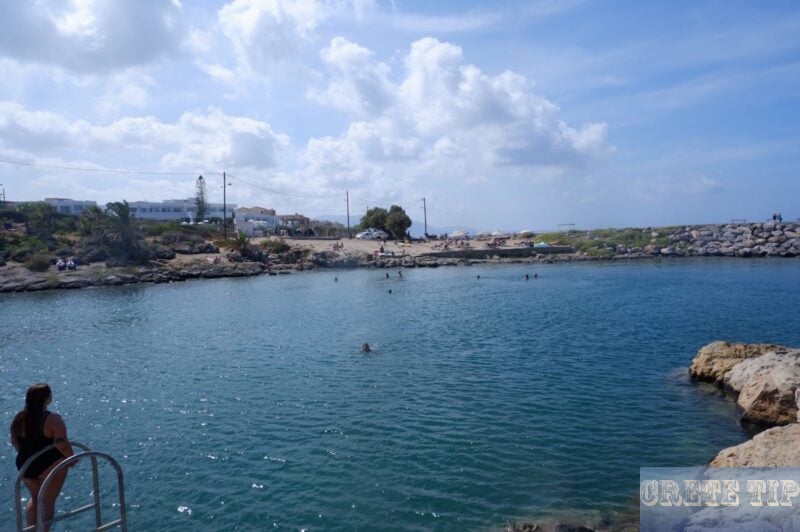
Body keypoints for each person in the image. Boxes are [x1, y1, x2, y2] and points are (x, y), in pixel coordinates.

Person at [10, 383, 75, 530]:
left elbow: (15, 443)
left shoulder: (18, 419)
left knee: (35, 498)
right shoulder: (53, 419)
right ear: (47, 398)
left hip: (25, 464)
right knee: (47, 500)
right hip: (49, 464)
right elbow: (61, 444)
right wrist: (72, 459)